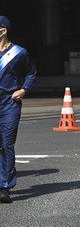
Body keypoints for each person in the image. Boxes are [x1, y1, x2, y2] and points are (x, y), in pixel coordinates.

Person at [0, 16, 37, 204]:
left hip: (9, 103)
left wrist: (23, 90)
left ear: (3, 30)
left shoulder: (18, 52)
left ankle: (5, 187)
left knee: (6, 143)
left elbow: (31, 72)